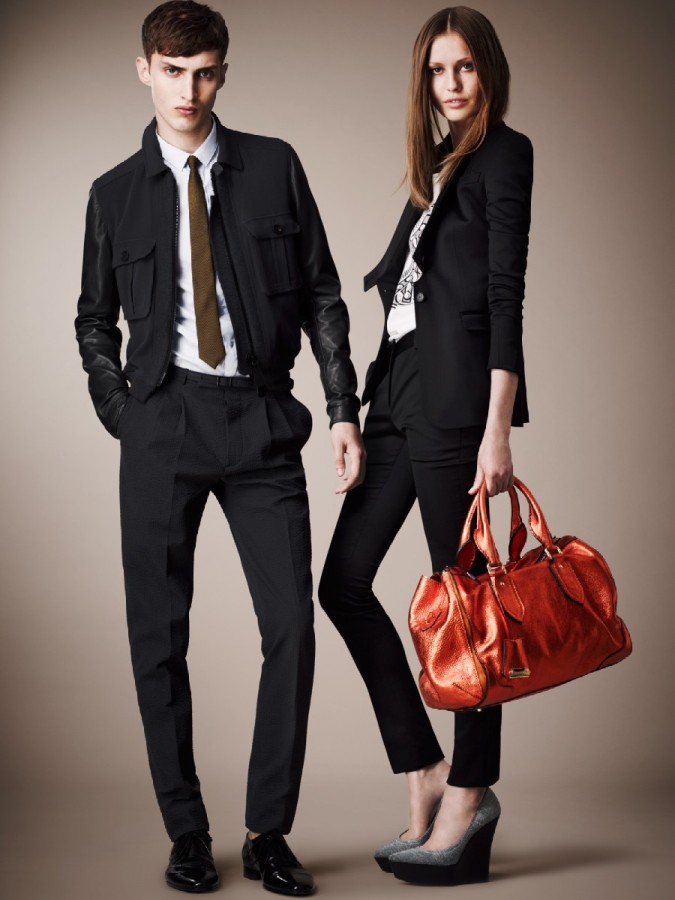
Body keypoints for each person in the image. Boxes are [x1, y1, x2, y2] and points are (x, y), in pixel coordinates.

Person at [74, 1, 365, 894]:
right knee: (157, 639)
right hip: (162, 422)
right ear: (145, 70)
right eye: (172, 71)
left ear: (223, 74)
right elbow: (93, 321)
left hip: (260, 418)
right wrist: (124, 414)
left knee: (291, 629)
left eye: (203, 72)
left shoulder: (274, 166)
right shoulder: (113, 193)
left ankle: (268, 830)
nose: (188, 91)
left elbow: (321, 293)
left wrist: (342, 407)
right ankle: (187, 833)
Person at [319, 5, 533, 887]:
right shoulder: (436, 169)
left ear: (487, 72)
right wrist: (357, 412)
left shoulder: (505, 155)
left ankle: (471, 792)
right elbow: (408, 302)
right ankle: (424, 768)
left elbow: (505, 295)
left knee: (468, 611)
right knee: (342, 583)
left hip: (456, 411)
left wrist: (496, 432)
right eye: (437, 70)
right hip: (398, 400)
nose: (450, 84)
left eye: (464, 67)